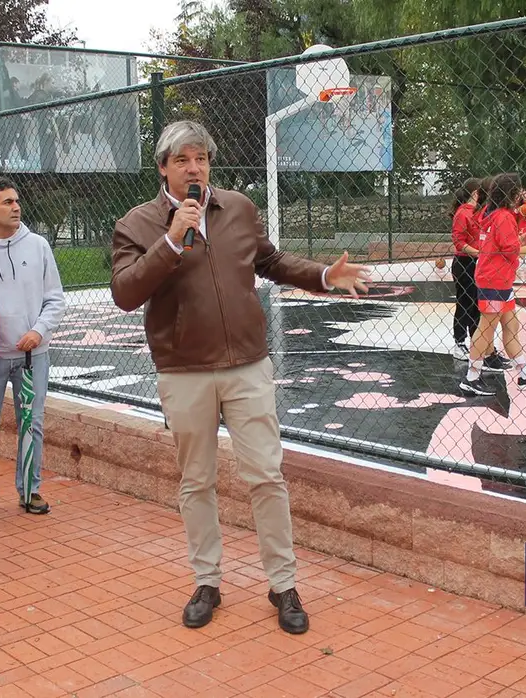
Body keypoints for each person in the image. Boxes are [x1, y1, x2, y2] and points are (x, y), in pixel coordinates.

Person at [110, 120, 371, 635]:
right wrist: (170, 240)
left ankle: (283, 584)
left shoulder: (239, 209)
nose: (194, 168)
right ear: (163, 167)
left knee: (267, 476)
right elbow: (124, 292)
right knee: (197, 481)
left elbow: (270, 261)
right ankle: (207, 581)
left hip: (249, 367)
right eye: (183, 159)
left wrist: (323, 275)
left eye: (201, 158)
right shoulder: (137, 224)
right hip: (184, 373)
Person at [0, 179, 67, 515]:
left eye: (16, 201)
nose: (15, 207)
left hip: (31, 356)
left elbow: (54, 298)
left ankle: (30, 491)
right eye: (7, 202)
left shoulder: (38, 246)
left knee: (32, 423)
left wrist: (38, 331)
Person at [460, 172, 526, 396]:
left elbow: (504, 243)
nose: (522, 193)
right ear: (512, 192)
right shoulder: (503, 216)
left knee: (511, 326)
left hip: (498, 280)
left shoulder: (494, 214)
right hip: (495, 280)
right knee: (486, 328)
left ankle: (525, 373)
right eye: (519, 190)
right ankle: (471, 378)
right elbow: (509, 249)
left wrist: (523, 239)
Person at [449, 177, 483, 360]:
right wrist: (478, 252)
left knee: (477, 305)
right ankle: (459, 342)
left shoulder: (478, 212)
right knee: (465, 304)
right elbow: (458, 241)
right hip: (465, 263)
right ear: (476, 193)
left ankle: (476, 342)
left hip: (477, 262)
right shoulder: (463, 213)